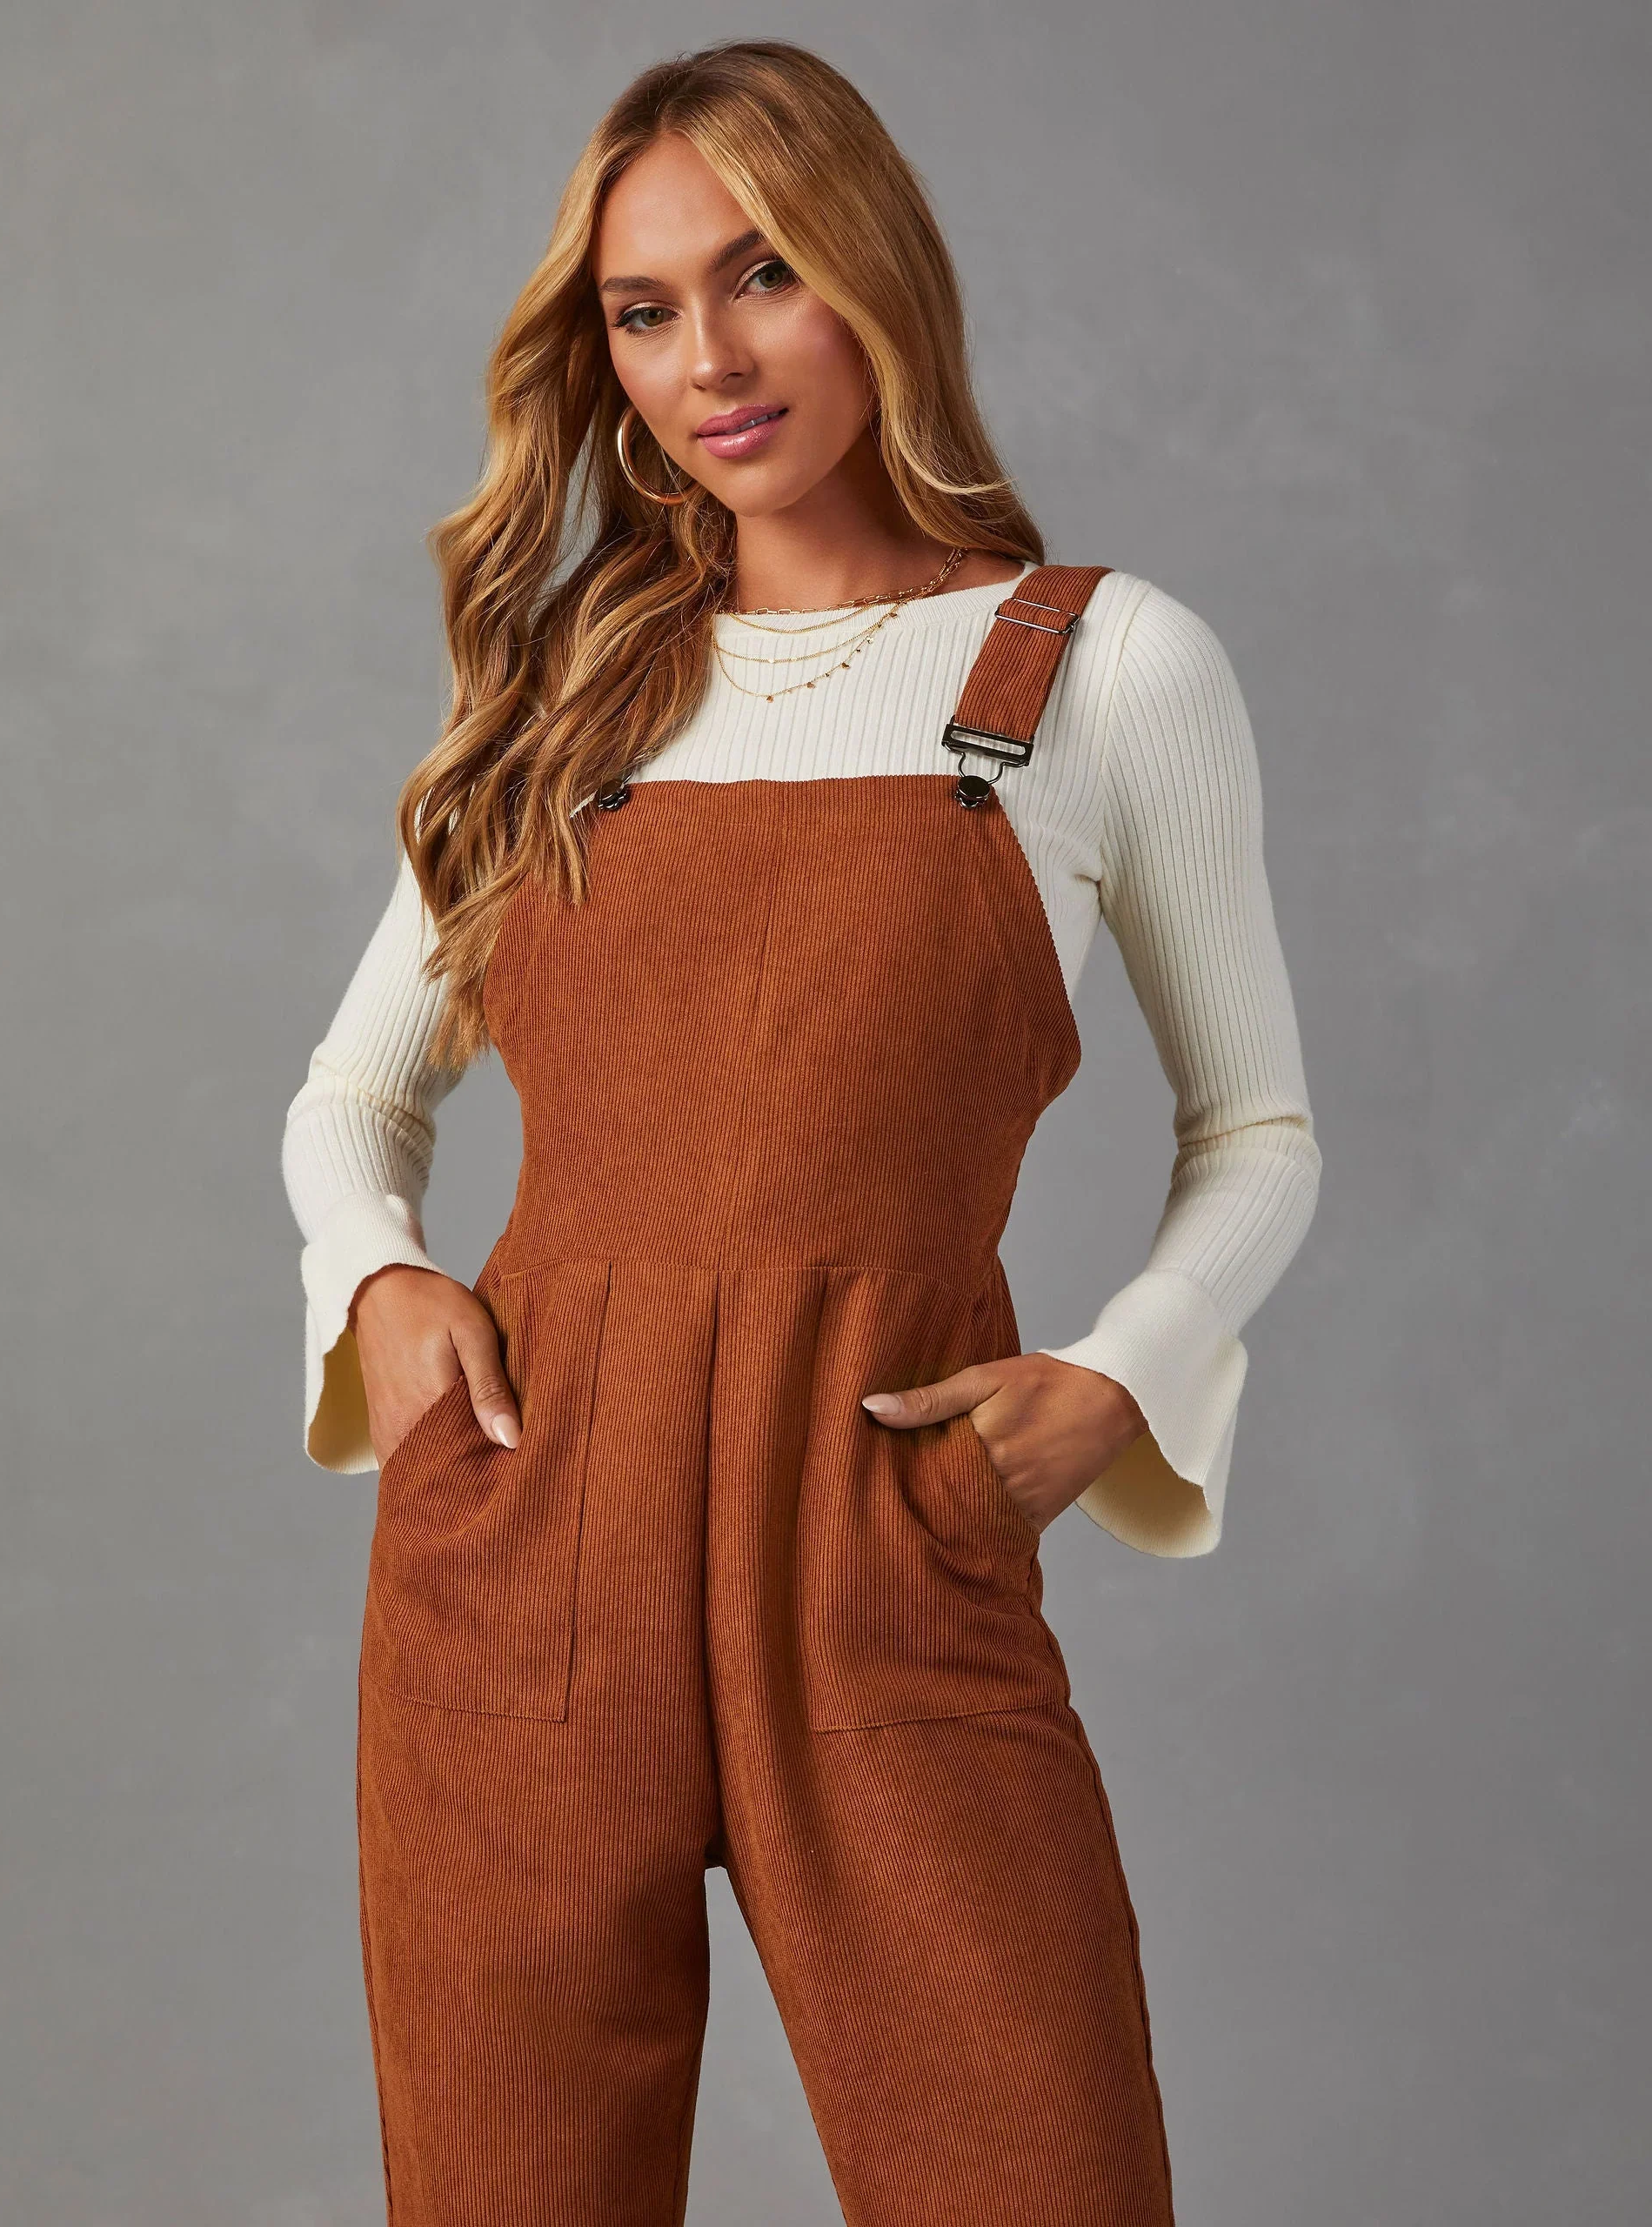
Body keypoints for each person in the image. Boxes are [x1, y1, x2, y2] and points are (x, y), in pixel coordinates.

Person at [281, 37, 1321, 2227]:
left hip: (879, 1531)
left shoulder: (1098, 666)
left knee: (1032, 2169)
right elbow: (355, 1096)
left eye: (762, 274)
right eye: (644, 310)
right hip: (531, 1533)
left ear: (875, 271)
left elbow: (1258, 1128)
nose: (709, 362)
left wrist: (1113, 1379)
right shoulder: (572, 694)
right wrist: (376, 1278)